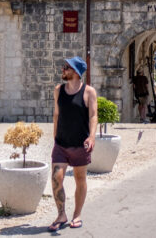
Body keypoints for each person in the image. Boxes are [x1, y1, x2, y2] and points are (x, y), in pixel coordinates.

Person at [49, 56, 97, 232]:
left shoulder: (88, 92)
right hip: (61, 143)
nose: (63, 69)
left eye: (67, 67)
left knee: (80, 179)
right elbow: (56, 114)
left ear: (76, 72)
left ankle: (77, 214)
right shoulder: (58, 90)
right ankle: (61, 214)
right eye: (64, 67)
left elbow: (93, 116)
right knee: (56, 178)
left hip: (80, 144)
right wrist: (55, 136)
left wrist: (92, 137)